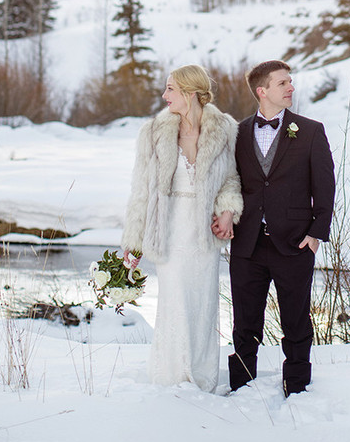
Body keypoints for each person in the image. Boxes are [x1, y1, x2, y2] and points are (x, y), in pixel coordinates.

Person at [213, 59, 335, 397]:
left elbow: (325, 187)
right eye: (283, 83)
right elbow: (229, 181)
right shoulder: (237, 132)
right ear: (262, 90)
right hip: (248, 244)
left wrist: (315, 235)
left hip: (295, 243)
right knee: (244, 322)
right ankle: (241, 385)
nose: (291, 88)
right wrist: (226, 213)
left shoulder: (310, 131)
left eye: (290, 82)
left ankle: (296, 386)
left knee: (296, 321)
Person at [122, 64, 243, 393]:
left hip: (204, 234)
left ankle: (202, 377)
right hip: (170, 230)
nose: (164, 96)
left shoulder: (225, 129)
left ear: (191, 94)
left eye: (170, 89)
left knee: (203, 302)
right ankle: (173, 376)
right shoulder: (153, 132)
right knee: (174, 299)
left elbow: (231, 179)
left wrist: (228, 212)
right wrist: (134, 241)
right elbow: (141, 190)